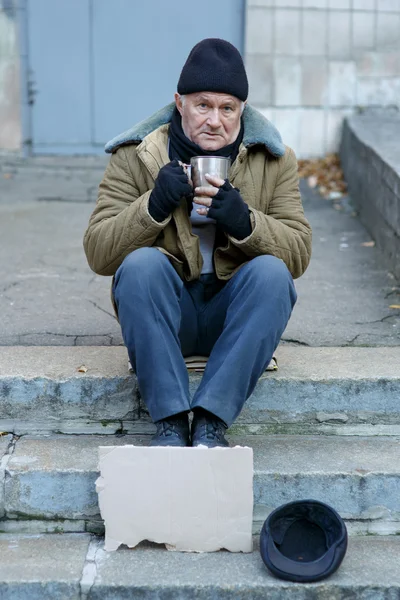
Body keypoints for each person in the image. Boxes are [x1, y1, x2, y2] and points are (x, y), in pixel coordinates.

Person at [83, 38, 312, 449]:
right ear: (179, 103)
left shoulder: (274, 159)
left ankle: (210, 421)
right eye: (202, 105)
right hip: (169, 320)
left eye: (227, 108)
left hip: (235, 321)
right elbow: (99, 252)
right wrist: (152, 205)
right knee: (139, 267)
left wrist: (246, 224)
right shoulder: (135, 157)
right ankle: (170, 423)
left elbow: (298, 252)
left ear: (241, 109)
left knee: (273, 274)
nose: (215, 120)